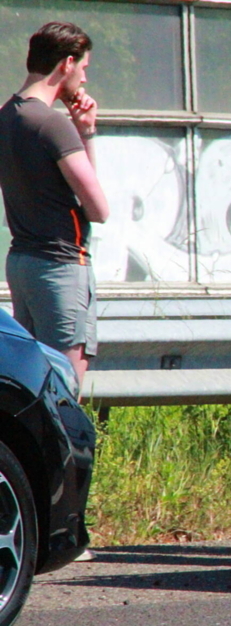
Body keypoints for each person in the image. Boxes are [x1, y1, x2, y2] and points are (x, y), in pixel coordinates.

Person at [0, 21, 109, 390]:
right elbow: (97, 208)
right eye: (84, 68)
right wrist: (83, 133)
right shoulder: (50, 123)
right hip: (61, 266)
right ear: (66, 63)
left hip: (22, 262)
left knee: (29, 386)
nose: (84, 79)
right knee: (64, 391)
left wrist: (84, 129)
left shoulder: (6, 117)